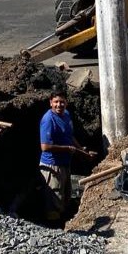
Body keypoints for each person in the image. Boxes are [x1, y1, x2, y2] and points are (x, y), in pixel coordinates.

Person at [38, 89, 94, 222]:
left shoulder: (66, 115)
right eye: (56, 102)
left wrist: (81, 150)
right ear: (50, 103)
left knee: (66, 196)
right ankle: (54, 228)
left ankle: (65, 221)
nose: (59, 105)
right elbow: (45, 147)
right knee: (54, 200)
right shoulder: (48, 120)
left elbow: (70, 136)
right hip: (52, 166)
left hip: (65, 164)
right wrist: (67, 149)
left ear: (66, 103)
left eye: (62, 102)